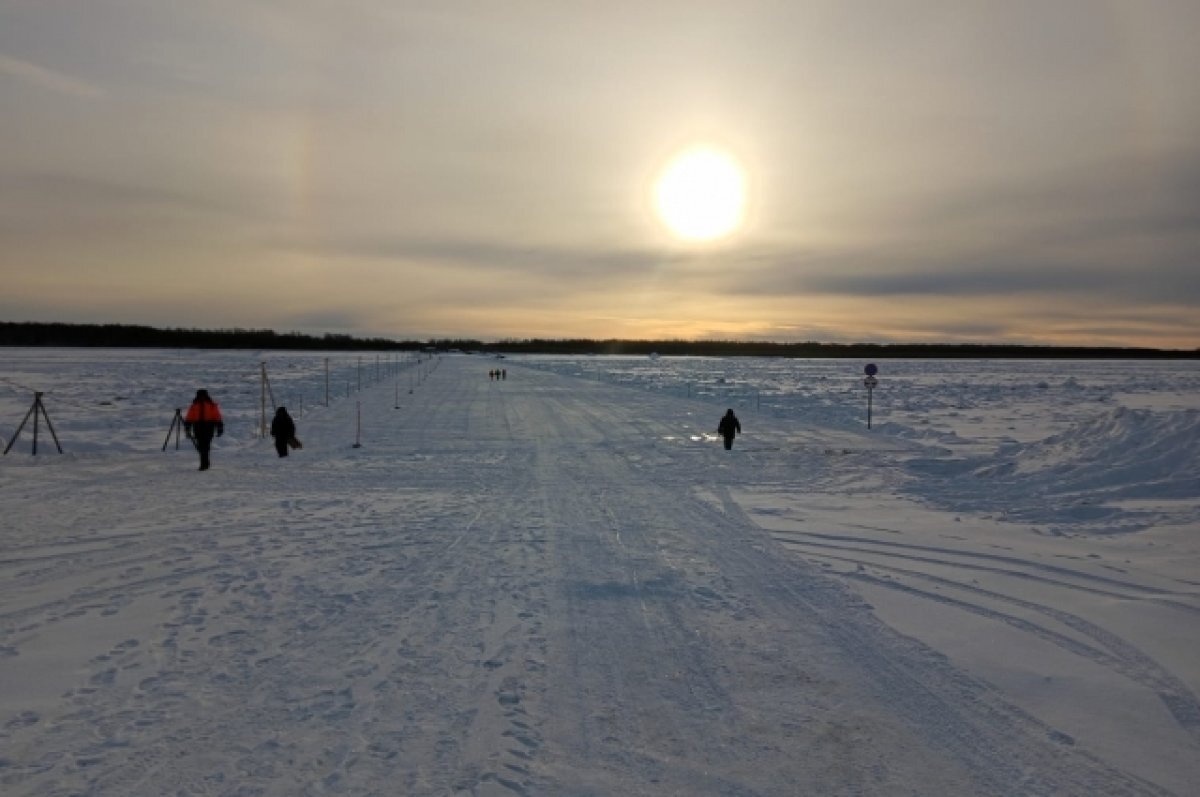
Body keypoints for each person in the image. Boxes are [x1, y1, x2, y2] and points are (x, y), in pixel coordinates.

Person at [184, 389, 224, 470]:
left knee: (204, 446)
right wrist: (187, 428)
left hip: (207, 427)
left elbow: (217, 417)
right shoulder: (195, 406)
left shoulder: (211, 405)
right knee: (202, 446)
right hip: (199, 427)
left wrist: (220, 427)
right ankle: (205, 463)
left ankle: (203, 464)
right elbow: (189, 418)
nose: (202, 397)